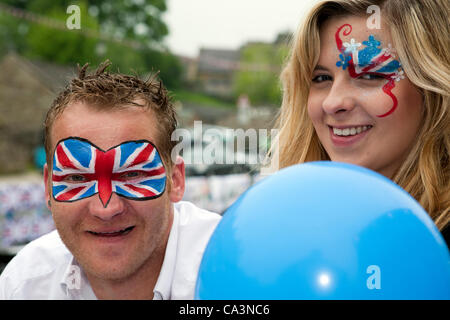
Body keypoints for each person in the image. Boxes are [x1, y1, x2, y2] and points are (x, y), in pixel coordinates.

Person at [0, 61, 221, 299]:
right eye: (77, 177)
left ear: (175, 180)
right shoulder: (23, 285)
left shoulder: (232, 270)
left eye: (132, 174)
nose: (106, 208)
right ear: (48, 187)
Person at [267, 0, 449, 244]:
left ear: (434, 92)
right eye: (321, 78)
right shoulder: (283, 223)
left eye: (371, 75)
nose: (333, 102)